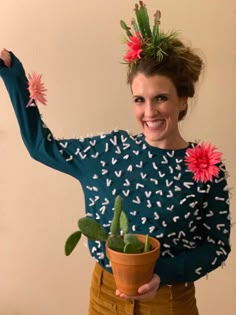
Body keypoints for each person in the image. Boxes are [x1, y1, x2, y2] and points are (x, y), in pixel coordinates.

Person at [0, 2, 231, 315]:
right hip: (104, 296)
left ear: (183, 100)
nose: (149, 112)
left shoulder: (206, 167)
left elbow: (216, 245)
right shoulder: (109, 151)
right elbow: (42, 146)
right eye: (139, 100)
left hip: (170, 301)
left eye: (161, 98)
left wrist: (163, 273)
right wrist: (13, 76)